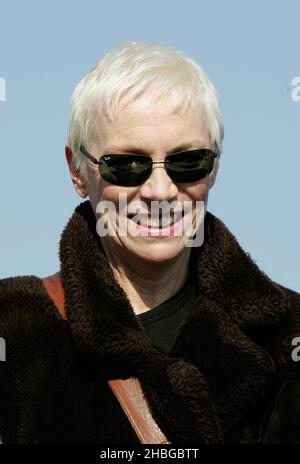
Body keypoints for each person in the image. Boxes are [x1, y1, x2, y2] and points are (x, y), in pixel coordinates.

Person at [0, 41, 299, 445]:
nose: (160, 191)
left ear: (215, 168)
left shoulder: (288, 335)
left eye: (187, 161)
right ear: (76, 171)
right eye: (126, 165)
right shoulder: (15, 330)